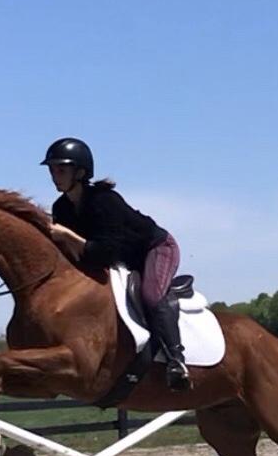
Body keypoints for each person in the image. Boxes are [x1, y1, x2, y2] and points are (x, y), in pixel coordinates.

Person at [41, 137, 191, 391]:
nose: (55, 176)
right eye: (52, 170)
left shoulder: (104, 200)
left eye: (61, 170)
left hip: (156, 249)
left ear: (80, 172)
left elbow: (105, 252)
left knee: (151, 296)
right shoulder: (61, 207)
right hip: (123, 258)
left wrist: (68, 235)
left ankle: (177, 361)